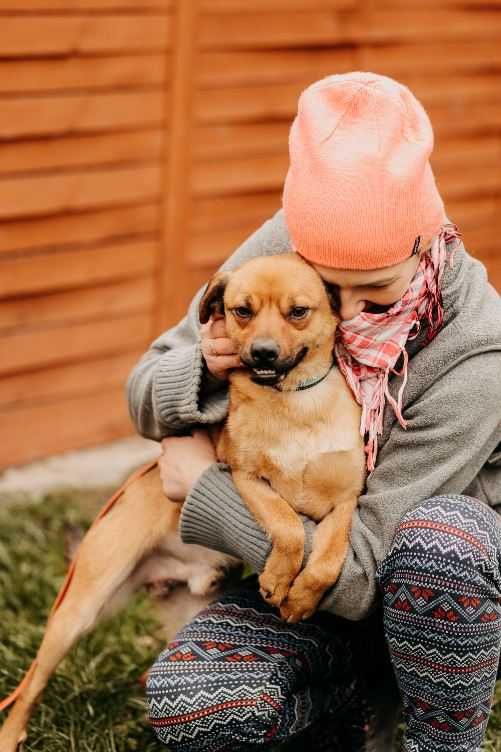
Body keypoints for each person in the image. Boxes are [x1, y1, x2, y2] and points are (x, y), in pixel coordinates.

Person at [127, 72, 501, 751]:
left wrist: (205, 490)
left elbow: (361, 575)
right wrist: (202, 365)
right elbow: (143, 394)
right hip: (299, 585)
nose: (342, 313)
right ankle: (350, 705)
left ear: (425, 243)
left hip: (425, 596)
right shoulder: (279, 255)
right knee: (193, 704)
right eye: (323, 286)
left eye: (375, 290)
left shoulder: (477, 353)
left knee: (442, 541)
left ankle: (438, 730)